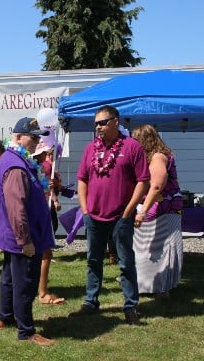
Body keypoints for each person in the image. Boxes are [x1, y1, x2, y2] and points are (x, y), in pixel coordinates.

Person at [68, 105, 149, 325]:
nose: (98, 127)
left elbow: (143, 181)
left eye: (103, 122)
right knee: (93, 260)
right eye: (96, 124)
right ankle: (91, 301)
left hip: (120, 217)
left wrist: (128, 211)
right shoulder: (90, 149)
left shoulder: (132, 147)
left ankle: (131, 306)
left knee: (125, 262)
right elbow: (82, 179)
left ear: (115, 122)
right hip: (93, 216)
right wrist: (84, 210)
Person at [0, 117, 56, 346]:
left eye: (39, 137)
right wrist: (25, 240)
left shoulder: (14, 158)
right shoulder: (16, 165)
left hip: (12, 235)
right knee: (25, 282)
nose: (37, 141)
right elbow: (17, 207)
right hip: (22, 236)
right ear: (18, 137)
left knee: (9, 277)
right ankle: (26, 330)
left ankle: (6, 317)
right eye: (33, 137)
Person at [131, 124, 184, 298]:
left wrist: (142, 211)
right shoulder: (152, 157)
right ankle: (147, 284)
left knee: (160, 249)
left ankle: (161, 288)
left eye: (136, 140)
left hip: (163, 210)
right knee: (148, 249)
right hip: (158, 210)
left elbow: (156, 186)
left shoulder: (158, 157)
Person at [31, 142, 65, 306]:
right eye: (46, 153)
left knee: (42, 253)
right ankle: (42, 292)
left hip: (40, 210)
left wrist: (53, 189)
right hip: (39, 212)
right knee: (45, 253)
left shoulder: (35, 167)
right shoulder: (40, 167)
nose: (48, 156)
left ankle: (37, 289)